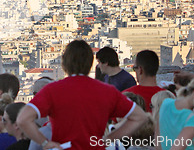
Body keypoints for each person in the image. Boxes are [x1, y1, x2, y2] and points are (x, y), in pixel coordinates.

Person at [17, 40, 148, 150]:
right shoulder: (107, 91)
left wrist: (45, 143)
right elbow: (140, 117)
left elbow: (23, 119)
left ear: (64, 64)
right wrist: (108, 140)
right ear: (90, 63)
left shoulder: (52, 90)